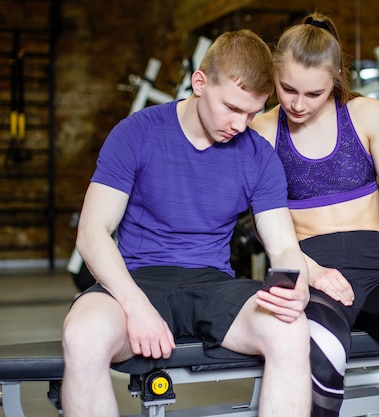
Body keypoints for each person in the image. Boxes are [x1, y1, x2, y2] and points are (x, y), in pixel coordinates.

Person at [61, 30, 311, 417]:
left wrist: (298, 285)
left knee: (291, 332)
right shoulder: (136, 133)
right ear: (199, 83)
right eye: (231, 107)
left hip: (211, 284)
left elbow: (282, 247)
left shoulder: (259, 157)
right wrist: (137, 306)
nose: (241, 124)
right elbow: (92, 233)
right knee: (82, 335)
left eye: (252, 113)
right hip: (138, 278)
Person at [250, 12, 379, 417]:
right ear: (274, 72)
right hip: (310, 270)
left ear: (336, 78)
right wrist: (311, 271)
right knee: (322, 347)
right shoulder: (262, 130)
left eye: (314, 93)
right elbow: (266, 225)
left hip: (378, 269)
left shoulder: (366, 113)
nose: (297, 104)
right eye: (288, 88)